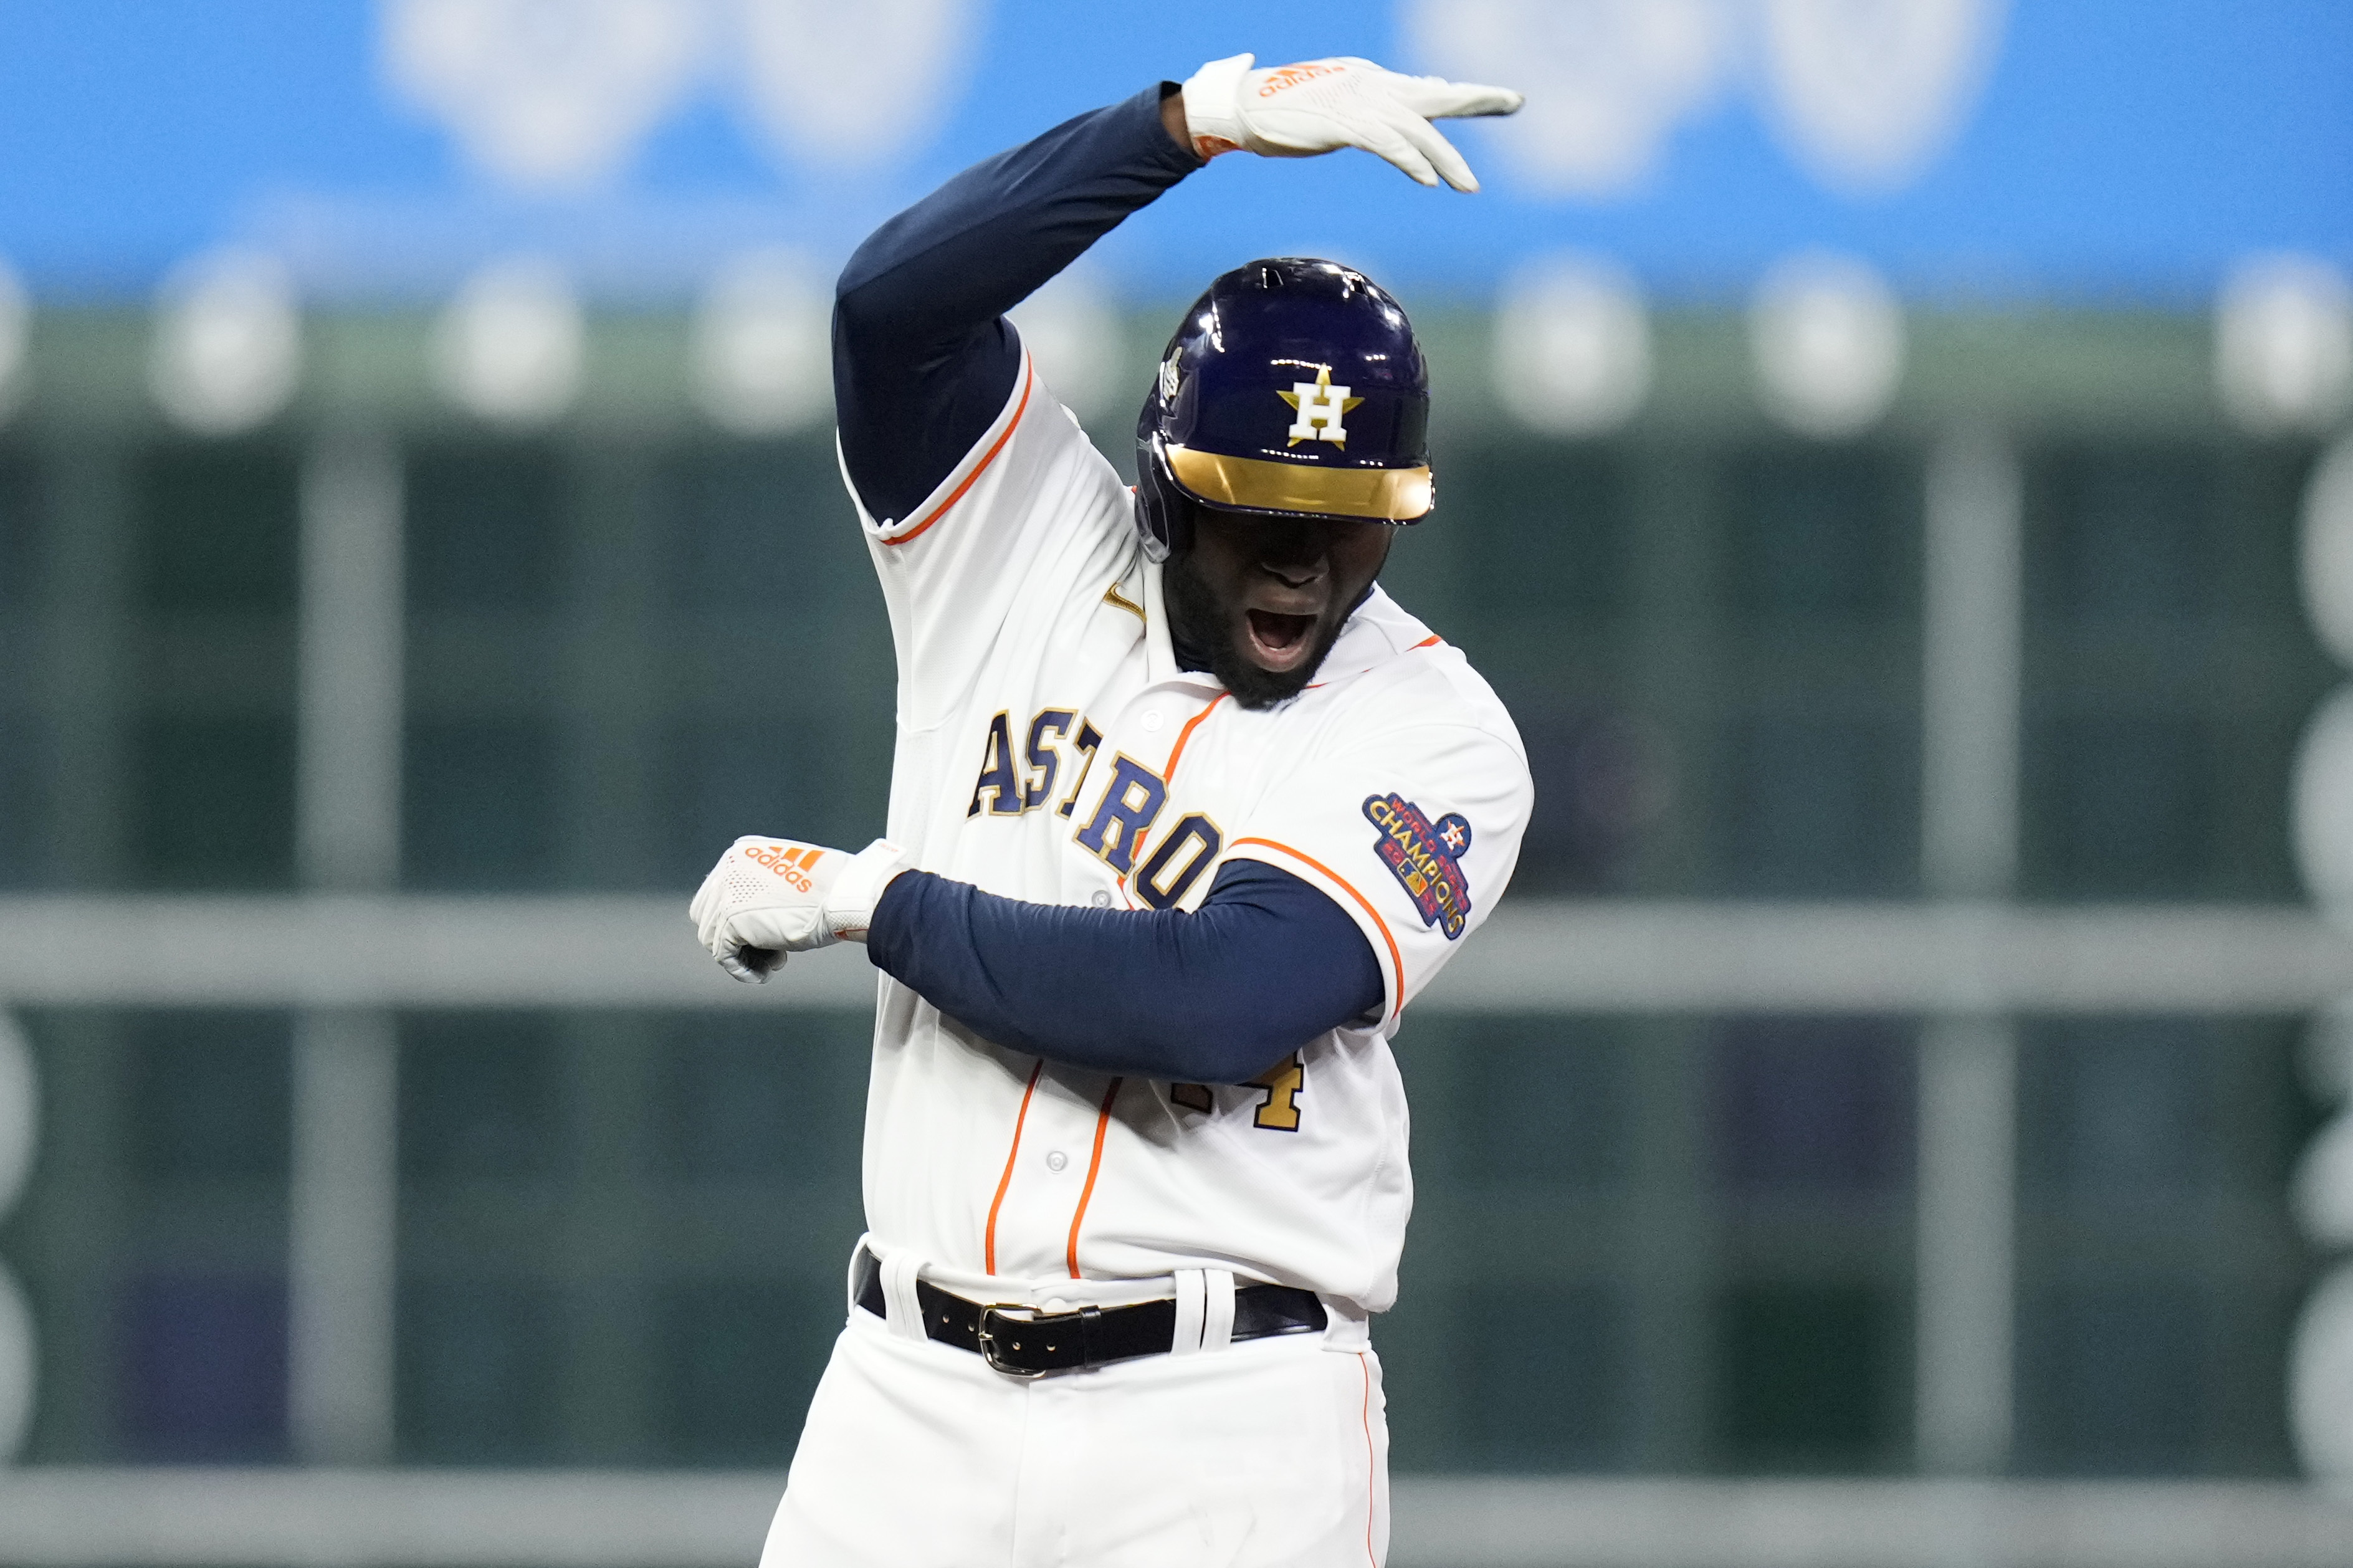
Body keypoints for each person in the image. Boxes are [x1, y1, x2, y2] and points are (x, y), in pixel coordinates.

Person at [689, 51, 1531, 1567]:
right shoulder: (1016, 539)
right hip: (908, 1393)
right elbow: (890, 308)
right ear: (1162, 483)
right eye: (1259, 511)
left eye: (1346, 526)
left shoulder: (1438, 731)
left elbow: (1219, 999)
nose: (1301, 566)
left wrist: (873, 900)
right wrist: (1182, 125)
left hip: (1225, 1421)